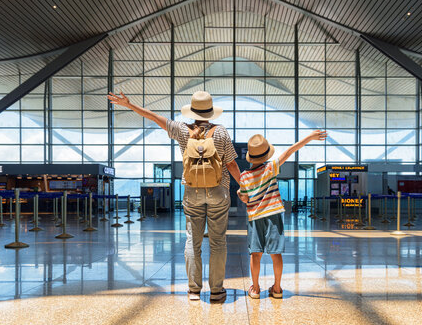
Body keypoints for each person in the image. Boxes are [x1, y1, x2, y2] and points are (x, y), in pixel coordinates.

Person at [108, 90, 241, 302]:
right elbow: (231, 163)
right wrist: (244, 185)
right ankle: (216, 291)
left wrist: (129, 104)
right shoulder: (221, 131)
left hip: (192, 191)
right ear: (210, 112)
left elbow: (152, 116)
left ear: (193, 111)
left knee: (192, 241)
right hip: (218, 191)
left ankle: (193, 291)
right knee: (218, 242)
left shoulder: (181, 129)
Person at [237, 129, 327, 299]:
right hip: (274, 216)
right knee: (275, 253)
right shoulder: (271, 167)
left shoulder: (244, 176)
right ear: (265, 156)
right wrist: (309, 137)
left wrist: (239, 194)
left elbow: (245, 199)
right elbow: (290, 151)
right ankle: (277, 289)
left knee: (255, 254)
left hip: (255, 218)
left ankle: (255, 289)